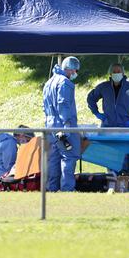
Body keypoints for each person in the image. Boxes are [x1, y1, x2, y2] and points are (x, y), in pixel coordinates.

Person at [87, 62, 129, 176]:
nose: (116, 74)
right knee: (110, 153)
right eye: (114, 72)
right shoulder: (103, 87)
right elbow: (91, 98)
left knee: (128, 153)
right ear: (110, 73)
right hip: (108, 126)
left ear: (123, 73)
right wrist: (97, 113)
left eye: (118, 71)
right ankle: (113, 178)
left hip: (126, 125)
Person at [42, 56, 81, 191]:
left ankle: (52, 189)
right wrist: (67, 124)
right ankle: (67, 189)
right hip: (63, 126)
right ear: (70, 70)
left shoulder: (48, 83)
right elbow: (63, 104)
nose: (76, 73)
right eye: (75, 70)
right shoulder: (65, 83)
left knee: (53, 160)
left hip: (50, 127)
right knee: (68, 157)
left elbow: (45, 107)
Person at [0, 125, 34, 191]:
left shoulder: (7, 141)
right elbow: (8, 165)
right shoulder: (10, 143)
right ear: (21, 135)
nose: (27, 142)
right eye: (28, 138)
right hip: (1, 177)